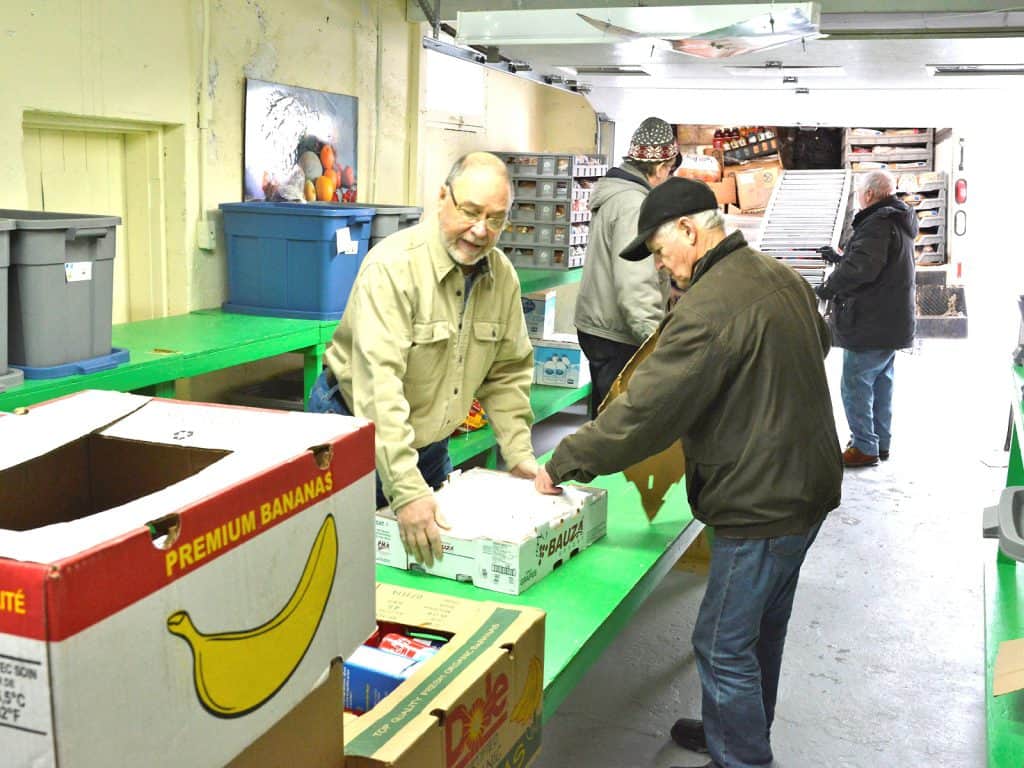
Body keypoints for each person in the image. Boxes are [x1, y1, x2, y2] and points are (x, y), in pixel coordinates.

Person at [535, 177, 843, 768]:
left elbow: (645, 414)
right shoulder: (780, 277)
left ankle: (743, 758)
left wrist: (565, 460)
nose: (659, 265)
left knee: (722, 643)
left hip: (760, 500)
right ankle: (737, 729)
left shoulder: (709, 306)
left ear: (689, 230)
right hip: (807, 483)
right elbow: (819, 342)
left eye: (657, 250)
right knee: (760, 630)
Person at [307, 152, 538, 566]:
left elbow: (507, 372)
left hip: (428, 445)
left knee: (431, 567)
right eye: (470, 212)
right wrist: (407, 491)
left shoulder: (501, 277)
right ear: (441, 197)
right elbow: (379, 389)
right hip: (353, 437)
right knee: (344, 569)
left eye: (496, 219)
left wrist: (519, 454)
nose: (481, 230)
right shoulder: (393, 268)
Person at [574, 116, 677, 418]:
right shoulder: (634, 205)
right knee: (618, 424)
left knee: (605, 416)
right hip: (619, 333)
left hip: (600, 326)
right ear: (660, 168)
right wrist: (655, 345)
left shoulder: (617, 195)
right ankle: (602, 465)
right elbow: (635, 280)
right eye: (669, 170)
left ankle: (597, 461)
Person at [816, 169, 917, 468]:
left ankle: (864, 447)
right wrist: (839, 258)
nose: (859, 196)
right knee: (881, 384)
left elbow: (862, 270)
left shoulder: (877, 223)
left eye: (860, 192)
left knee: (855, 384)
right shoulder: (895, 219)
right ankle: (879, 443)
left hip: (871, 322)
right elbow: (874, 261)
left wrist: (827, 287)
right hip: (890, 322)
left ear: (869, 194)